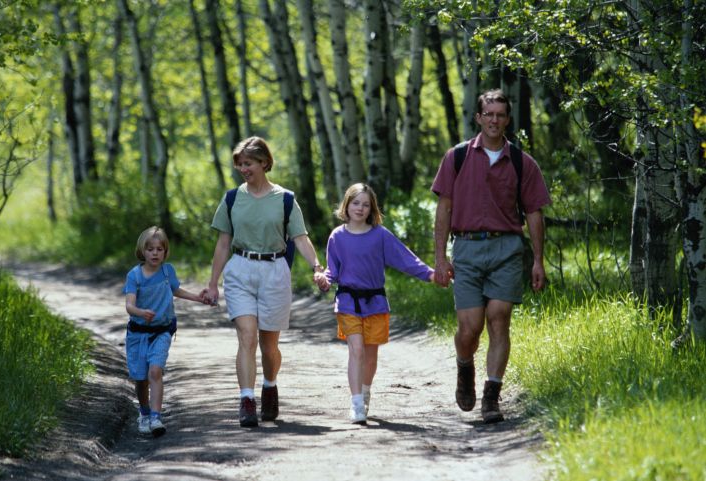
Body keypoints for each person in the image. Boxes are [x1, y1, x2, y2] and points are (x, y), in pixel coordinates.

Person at [431, 89, 551, 424]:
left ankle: (491, 396)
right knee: (470, 328)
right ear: (479, 117)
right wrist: (441, 258)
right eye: (489, 114)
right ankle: (464, 367)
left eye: (501, 114)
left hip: (507, 248)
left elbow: (534, 213)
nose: (495, 120)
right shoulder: (457, 157)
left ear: (507, 119)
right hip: (467, 248)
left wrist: (538, 260)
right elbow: (444, 209)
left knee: (499, 317)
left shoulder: (521, 162)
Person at [202, 136, 329, 428]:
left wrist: (317, 268)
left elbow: (300, 238)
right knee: (246, 336)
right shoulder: (232, 198)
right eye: (239, 164)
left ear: (264, 163)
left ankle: (270, 385)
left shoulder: (285, 199)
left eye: (248, 163)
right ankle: (246, 399)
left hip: (274, 271)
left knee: (269, 345)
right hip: (241, 270)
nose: (243, 169)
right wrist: (212, 282)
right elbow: (223, 243)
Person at [323, 183, 435, 424]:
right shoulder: (337, 237)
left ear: (372, 209)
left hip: (375, 302)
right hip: (347, 301)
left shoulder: (380, 235)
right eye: (356, 203)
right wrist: (323, 279)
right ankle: (355, 404)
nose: (360, 208)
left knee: (371, 356)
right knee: (357, 350)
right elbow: (332, 271)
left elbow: (406, 259)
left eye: (365, 204)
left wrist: (430, 274)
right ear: (347, 205)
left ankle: (364, 393)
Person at [123, 226, 206, 437]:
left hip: (163, 331)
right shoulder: (135, 276)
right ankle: (143, 412)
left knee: (155, 371)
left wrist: (197, 297)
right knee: (141, 378)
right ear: (142, 251)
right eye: (150, 249)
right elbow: (129, 306)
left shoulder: (167, 271)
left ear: (165, 252)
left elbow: (175, 289)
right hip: (138, 333)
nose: (155, 253)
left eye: (159, 249)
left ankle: (156, 417)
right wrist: (141, 312)